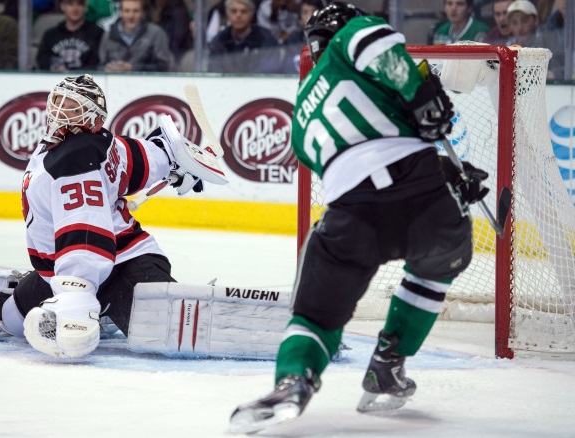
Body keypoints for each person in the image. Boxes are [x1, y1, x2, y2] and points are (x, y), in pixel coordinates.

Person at [229, 2, 489, 433]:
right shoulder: (355, 34)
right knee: (438, 262)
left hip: (352, 218)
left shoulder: (300, 116)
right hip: (428, 205)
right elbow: (376, 46)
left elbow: (363, 167)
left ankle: (294, 381)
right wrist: (426, 110)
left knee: (314, 315)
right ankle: (388, 363)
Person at [0, 74, 228, 359]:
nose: (61, 112)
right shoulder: (90, 145)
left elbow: (85, 227)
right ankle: (102, 311)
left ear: (94, 119)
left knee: (166, 328)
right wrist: (171, 158)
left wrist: (77, 293)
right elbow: (142, 159)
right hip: (56, 270)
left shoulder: (77, 155)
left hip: (124, 262)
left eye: (74, 107)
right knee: (11, 319)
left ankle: (106, 305)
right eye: (59, 102)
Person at [208, 0, 281, 73]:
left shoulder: (265, 39)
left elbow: (270, 71)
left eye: (244, 11)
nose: (238, 15)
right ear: (228, 15)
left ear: (251, 15)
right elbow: (214, 71)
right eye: (234, 11)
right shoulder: (220, 40)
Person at [98, 0, 171, 72]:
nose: (131, 16)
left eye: (135, 11)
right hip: (114, 81)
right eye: (127, 11)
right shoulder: (108, 35)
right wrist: (109, 68)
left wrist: (133, 68)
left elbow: (163, 66)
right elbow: (100, 66)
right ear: (120, 13)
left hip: (147, 82)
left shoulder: (156, 34)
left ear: (143, 13)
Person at [36, 0, 104, 71]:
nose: (75, 8)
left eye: (80, 4)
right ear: (62, 6)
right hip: (55, 79)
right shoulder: (50, 35)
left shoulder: (97, 33)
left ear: (85, 7)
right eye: (70, 4)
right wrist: (53, 69)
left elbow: (97, 63)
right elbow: (42, 61)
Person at [281, 0, 325, 73]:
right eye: (305, 12)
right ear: (300, 19)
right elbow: (287, 69)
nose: (310, 16)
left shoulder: (329, 40)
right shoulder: (292, 40)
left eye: (314, 12)